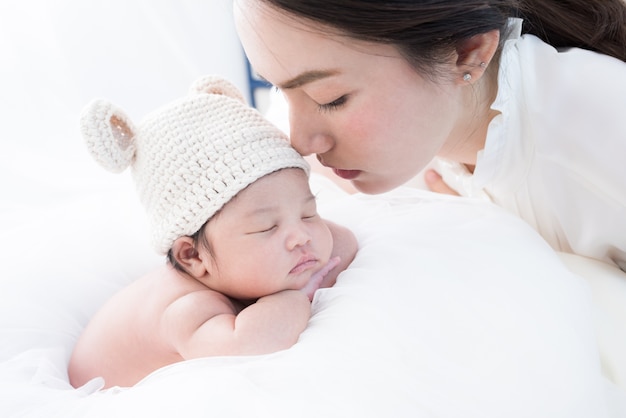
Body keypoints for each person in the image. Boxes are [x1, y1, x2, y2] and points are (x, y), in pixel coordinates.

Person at [233, 0, 626, 272]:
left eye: (331, 99)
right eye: (280, 90)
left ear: (468, 52)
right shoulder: (413, 138)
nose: (300, 141)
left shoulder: (600, 131)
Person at [68, 75, 357, 389]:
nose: (301, 235)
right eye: (267, 227)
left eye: (307, 212)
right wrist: (295, 295)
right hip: (104, 395)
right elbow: (252, 345)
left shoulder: (242, 259)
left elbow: (343, 242)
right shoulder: (188, 310)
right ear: (193, 256)